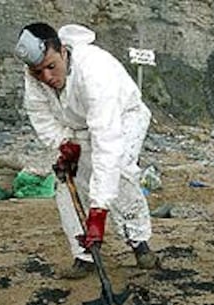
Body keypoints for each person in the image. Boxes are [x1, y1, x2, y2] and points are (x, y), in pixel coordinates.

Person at [14, 22, 159, 278]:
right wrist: (64, 144)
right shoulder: (34, 78)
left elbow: (107, 144)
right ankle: (85, 255)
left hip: (123, 118)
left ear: (62, 51)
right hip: (76, 128)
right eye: (38, 72)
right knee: (66, 179)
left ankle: (139, 243)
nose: (46, 77)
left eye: (51, 67)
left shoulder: (94, 70)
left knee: (120, 171)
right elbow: (41, 116)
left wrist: (99, 212)